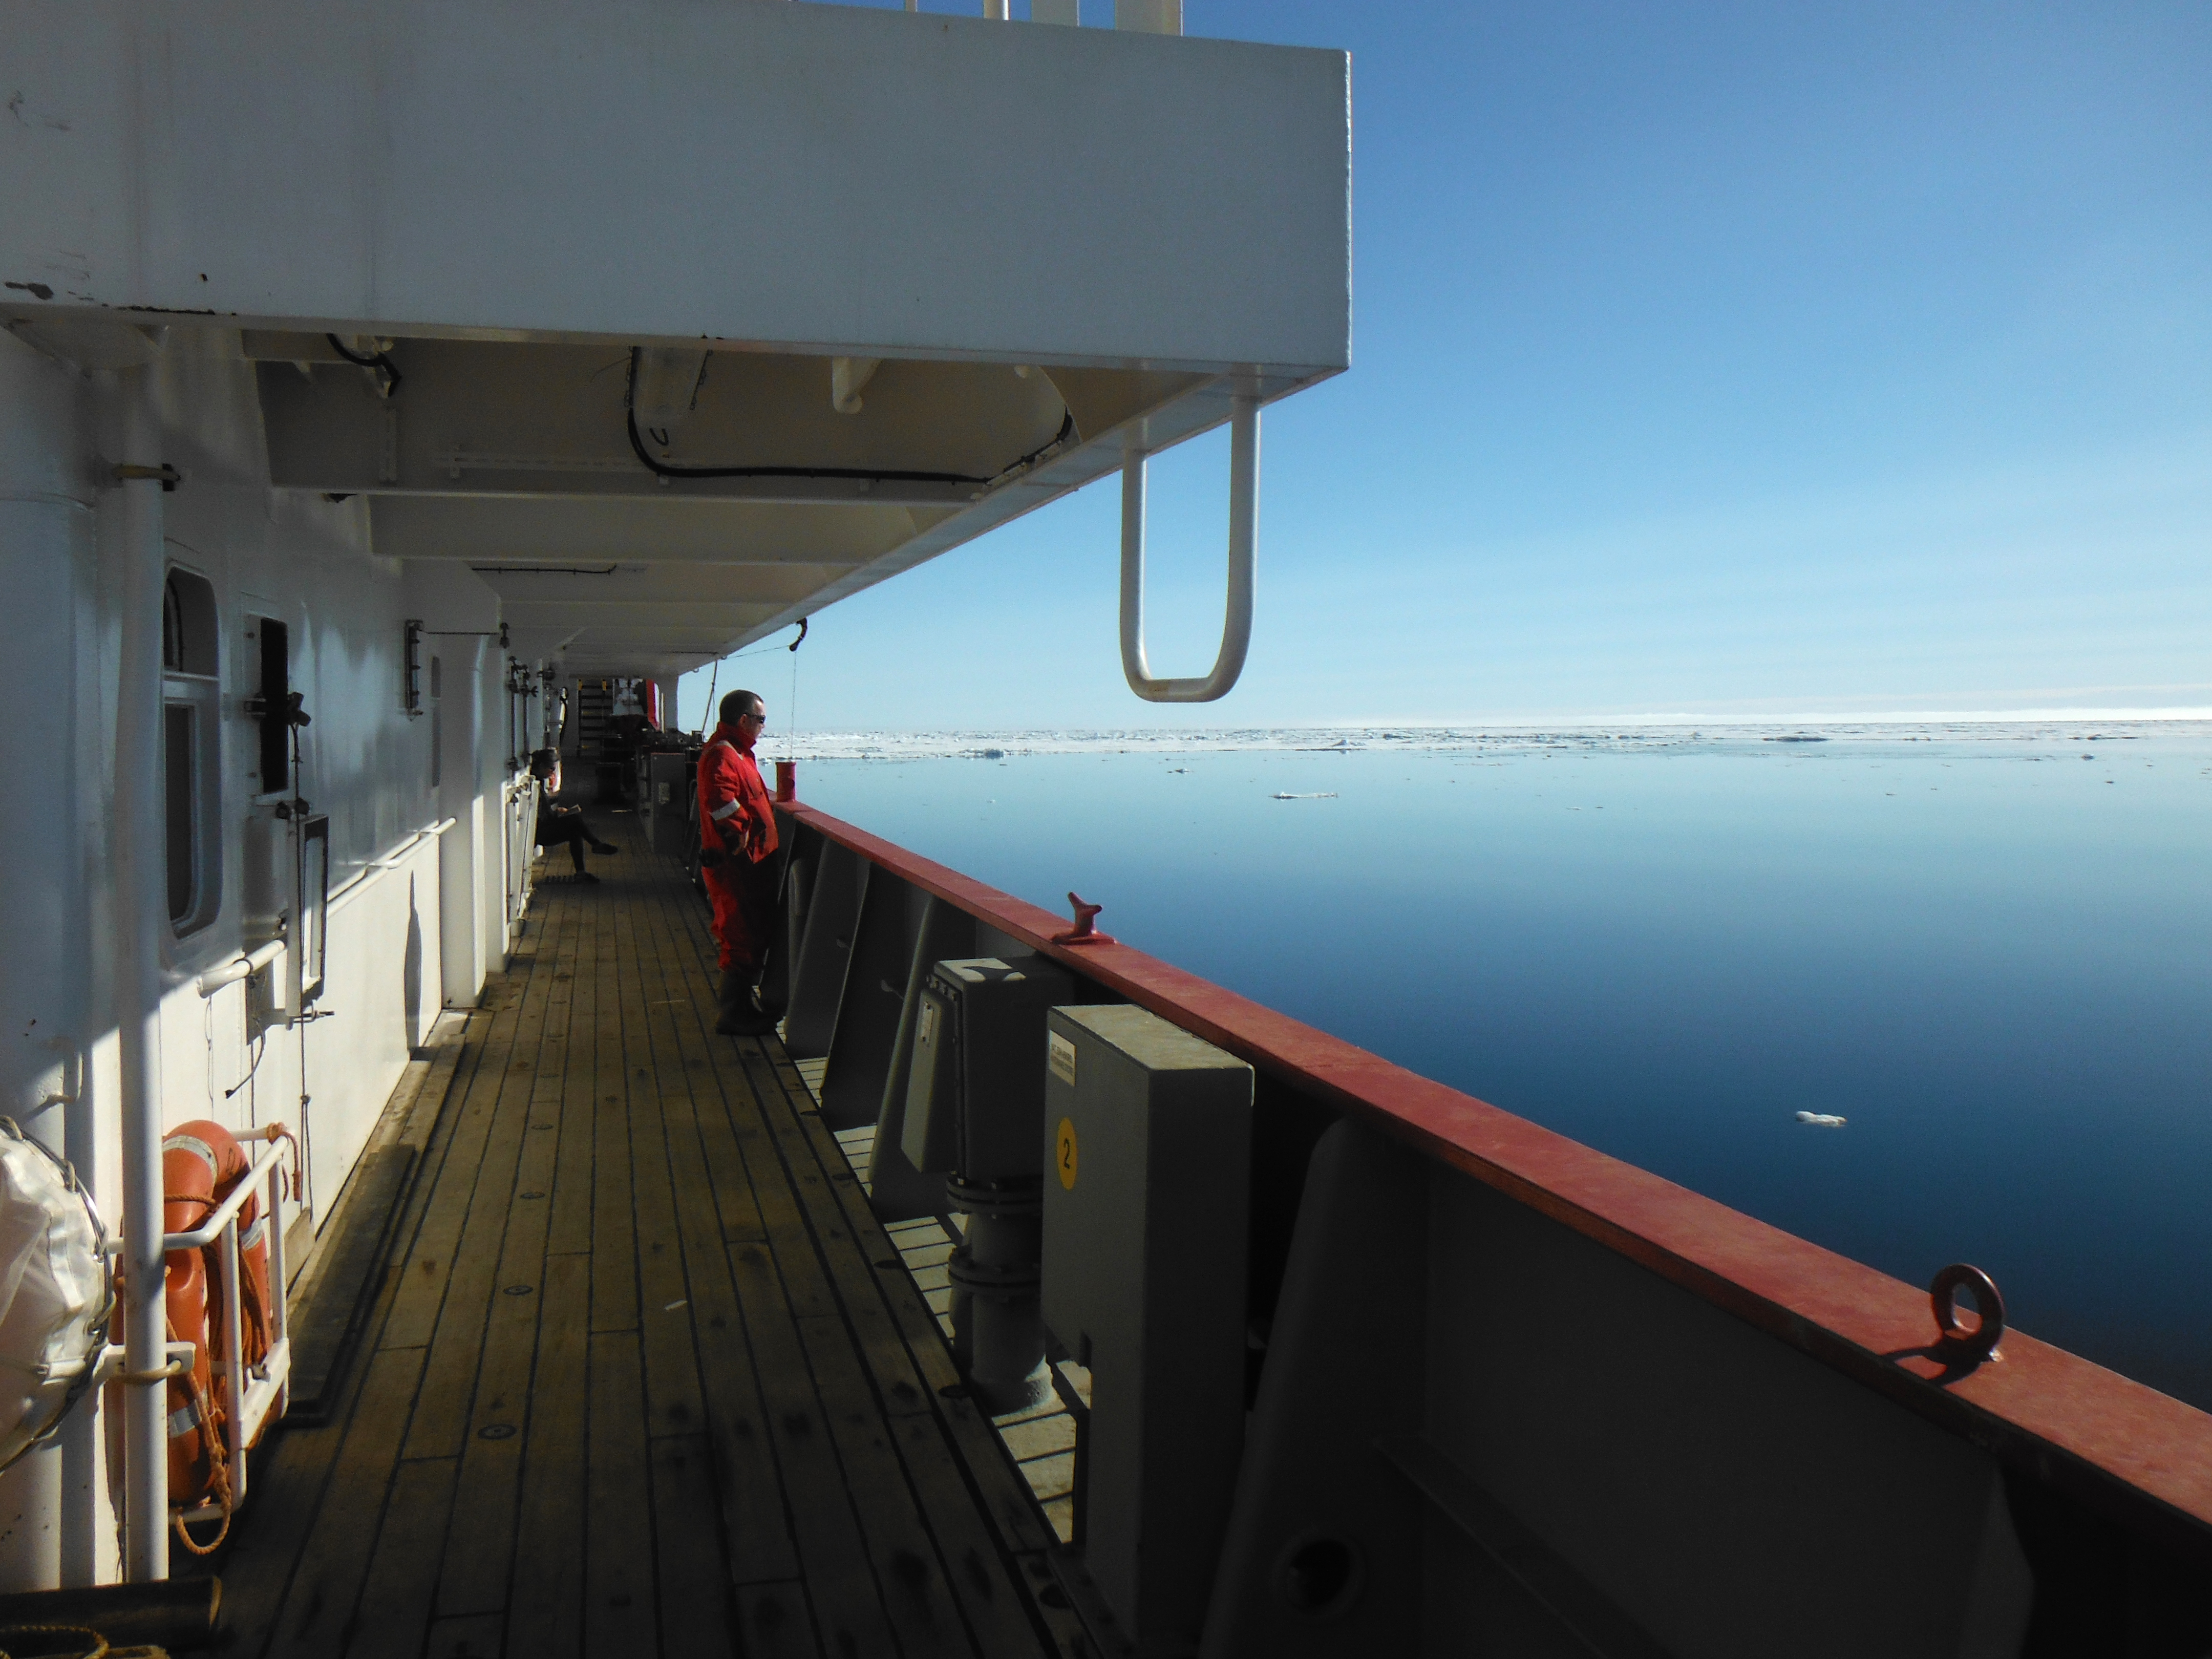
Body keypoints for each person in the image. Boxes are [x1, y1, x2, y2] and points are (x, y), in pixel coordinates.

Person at [696, 690, 780, 1034]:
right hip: (737, 864)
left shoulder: (738, 753)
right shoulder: (724, 755)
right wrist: (741, 831)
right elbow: (720, 797)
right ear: (744, 720)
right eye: (761, 720)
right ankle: (733, 1015)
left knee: (748, 932)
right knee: (739, 935)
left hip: (750, 863)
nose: (763, 727)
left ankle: (742, 1006)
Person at [530, 749, 618, 881]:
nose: (553, 772)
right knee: (575, 820)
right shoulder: (535, 784)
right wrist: (556, 814)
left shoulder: (539, 782)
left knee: (575, 832)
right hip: (539, 833)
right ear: (542, 766)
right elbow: (541, 817)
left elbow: (543, 813)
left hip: (541, 828)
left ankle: (582, 871)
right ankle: (596, 845)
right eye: (551, 768)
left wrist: (557, 812)